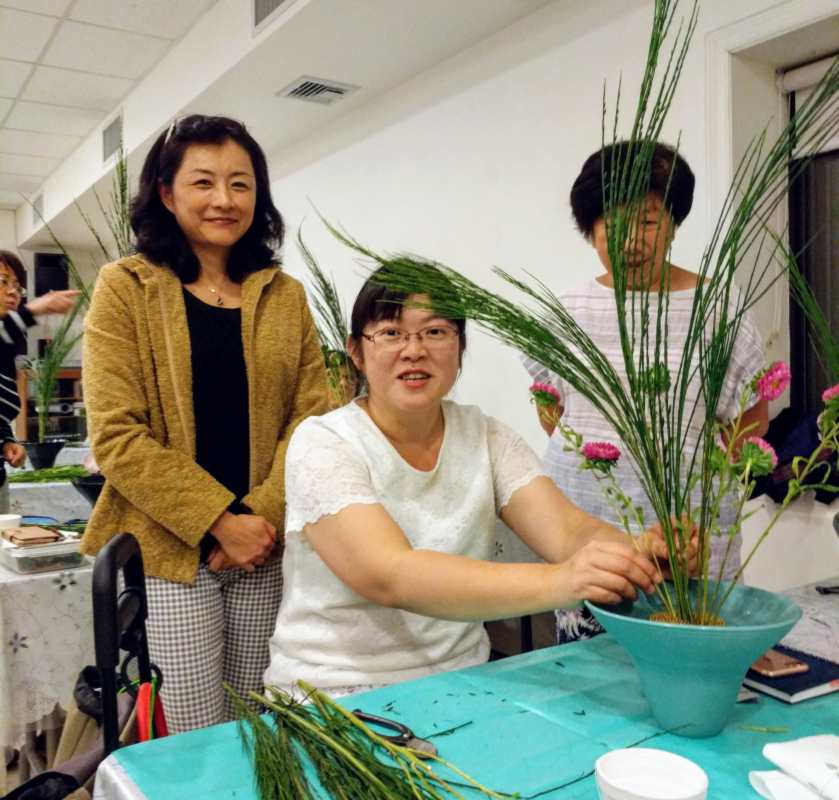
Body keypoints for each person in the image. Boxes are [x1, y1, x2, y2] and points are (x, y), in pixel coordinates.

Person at [264, 266, 674, 697]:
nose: (414, 350)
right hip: (332, 693)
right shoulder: (324, 442)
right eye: (391, 333)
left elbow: (568, 531)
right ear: (356, 352)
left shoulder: (487, 436)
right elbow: (390, 574)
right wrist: (563, 582)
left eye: (435, 332)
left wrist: (637, 554)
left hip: (462, 681)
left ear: (460, 347)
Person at [81, 115, 330, 732]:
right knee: (197, 727)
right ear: (167, 194)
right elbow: (117, 435)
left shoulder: (284, 294)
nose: (224, 199)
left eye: (240, 183)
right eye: (204, 182)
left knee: (259, 718)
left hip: (262, 544)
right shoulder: (126, 287)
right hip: (172, 549)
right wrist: (220, 521)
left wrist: (259, 518)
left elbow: (313, 416)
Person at [523, 142, 768, 644]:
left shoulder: (716, 307)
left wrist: (692, 482)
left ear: (675, 224)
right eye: (612, 223)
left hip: (690, 537)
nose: (632, 240)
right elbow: (551, 412)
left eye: (650, 221)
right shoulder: (568, 312)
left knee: (693, 659)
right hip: (587, 525)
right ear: (589, 227)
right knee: (593, 668)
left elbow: (750, 421)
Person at [0, 250, 80, 511]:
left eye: (17, 286)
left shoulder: (6, 349)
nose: (13, 292)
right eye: (3, 281)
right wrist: (35, 309)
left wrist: (6, 440)